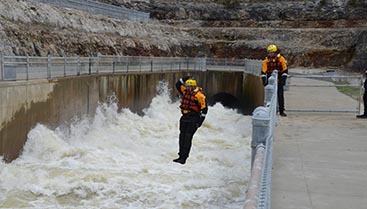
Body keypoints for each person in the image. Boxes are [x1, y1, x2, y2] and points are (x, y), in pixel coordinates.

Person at [173, 76, 208, 164]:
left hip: (193, 118)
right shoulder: (185, 92)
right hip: (184, 117)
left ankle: (184, 158)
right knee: (182, 137)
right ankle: (180, 156)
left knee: (188, 138)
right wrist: (186, 77)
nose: (188, 88)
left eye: (189, 86)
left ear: (193, 87)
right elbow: (178, 84)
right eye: (187, 86)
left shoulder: (199, 96)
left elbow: (204, 109)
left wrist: (200, 122)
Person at [261, 44, 289, 117]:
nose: (270, 54)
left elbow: (285, 70)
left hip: (279, 78)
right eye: (269, 52)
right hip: (270, 79)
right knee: (270, 96)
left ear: (275, 52)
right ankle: (269, 110)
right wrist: (264, 81)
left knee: (280, 95)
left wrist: (283, 80)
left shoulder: (281, 59)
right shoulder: (266, 61)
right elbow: (263, 72)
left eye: (271, 52)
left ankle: (281, 110)